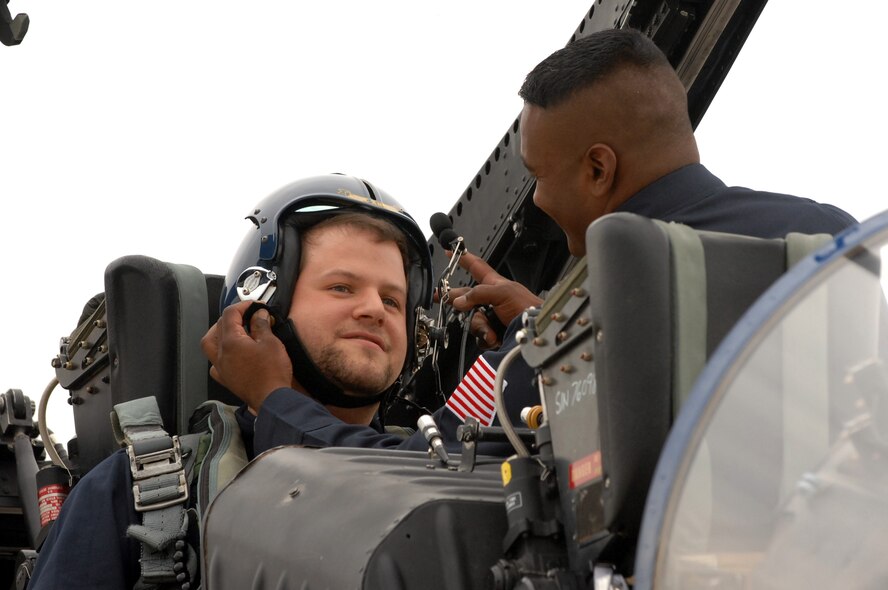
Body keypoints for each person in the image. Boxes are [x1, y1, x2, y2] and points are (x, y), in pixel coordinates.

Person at [28, 174, 440, 589]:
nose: (374, 309)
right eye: (341, 287)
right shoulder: (134, 495)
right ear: (259, 311)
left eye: (392, 299)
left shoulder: (444, 466)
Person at [449, 27, 857, 345]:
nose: (536, 200)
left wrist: (539, 340)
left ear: (598, 170)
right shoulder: (828, 232)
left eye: (538, 176)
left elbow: (431, 449)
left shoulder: (588, 316)